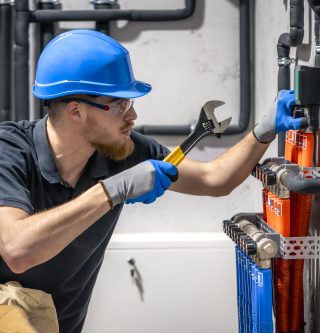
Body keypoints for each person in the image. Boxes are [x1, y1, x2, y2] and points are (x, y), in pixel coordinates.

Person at [0, 29, 303, 332]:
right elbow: (18, 250)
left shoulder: (123, 151)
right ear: (76, 111)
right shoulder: (9, 152)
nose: (132, 115)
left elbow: (214, 179)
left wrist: (263, 131)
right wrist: (112, 191)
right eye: (120, 104)